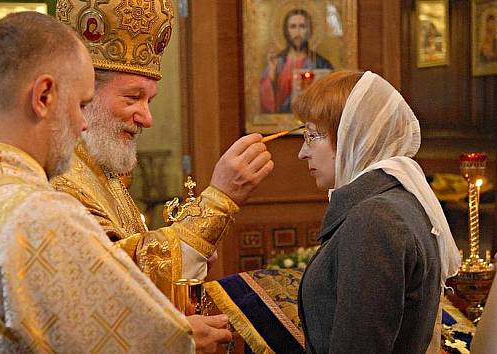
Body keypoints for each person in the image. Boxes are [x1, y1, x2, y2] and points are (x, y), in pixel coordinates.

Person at [0, 12, 231, 353]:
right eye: (81, 104)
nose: (82, 124)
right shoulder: (38, 215)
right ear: (43, 96)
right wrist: (183, 341)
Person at [53, 0, 274, 299]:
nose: (147, 118)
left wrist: (191, 249)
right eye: (133, 98)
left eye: (149, 101)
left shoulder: (102, 169)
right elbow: (108, 285)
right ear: (85, 93)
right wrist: (219, 201)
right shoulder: (58, 178)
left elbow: (135, 255)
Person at [293, 70, 460, 353]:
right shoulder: (395, 201)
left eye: (311, 136)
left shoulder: (374, 220)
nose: (302, 152)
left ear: (350, 136)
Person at [259, 8, 333, 114]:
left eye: (302, 26)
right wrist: (272, 75)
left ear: (309, 30)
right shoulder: (277, 62)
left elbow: (330, 99)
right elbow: (266, 102)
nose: (297, 32)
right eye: (293, 26)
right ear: (286, 31)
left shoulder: (321, 63)